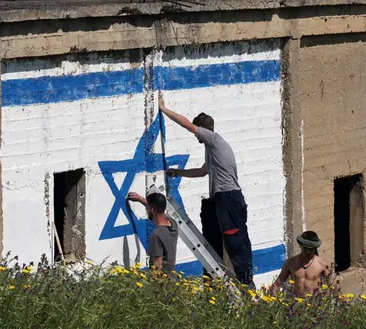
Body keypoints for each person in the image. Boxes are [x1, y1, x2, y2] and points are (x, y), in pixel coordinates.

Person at [157, 93, 255, 288]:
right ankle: (216, 283)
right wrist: (178, 172)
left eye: (197, 132)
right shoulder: (213, 150)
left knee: (235, 241)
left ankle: (246, 283)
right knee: (217, 241)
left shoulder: (213, 139)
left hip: (229, 198)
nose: (196, 137)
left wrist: (164, 110)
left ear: (202, 129)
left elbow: (186, 124)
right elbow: (202, 172)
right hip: (221, 200)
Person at [269, 231, 338, 296]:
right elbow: (278, 283)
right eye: (306, 248)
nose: (308, 251)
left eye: (311, 249)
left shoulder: (323, 265)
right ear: (300, 245)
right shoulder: (290, 263)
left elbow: (333, 286)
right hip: (296, 304)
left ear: (315, 248)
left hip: (315, 303)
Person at [127, 191, 178, 276]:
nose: (146, 211)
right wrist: (140, 199)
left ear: (152, 210)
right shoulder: (173, 224)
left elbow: (157, 267)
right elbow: (157, 209)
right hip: (171, 279)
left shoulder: (156, 235)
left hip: (162, 285)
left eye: (147, 208)